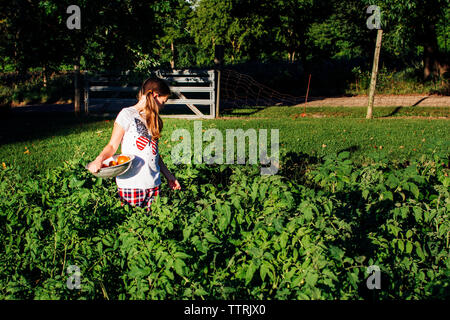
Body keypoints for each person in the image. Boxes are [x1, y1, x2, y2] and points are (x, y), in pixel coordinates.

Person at [87, 77, 181, 211]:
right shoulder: (127, 114)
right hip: (132, 185)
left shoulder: (153, 119)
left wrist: (169, 176)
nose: (163, 106)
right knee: (133, 225)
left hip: (153, 184)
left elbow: (154, 152)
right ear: (155, 95)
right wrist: (99, 160)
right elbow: (112, 146)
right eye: (163, 102)